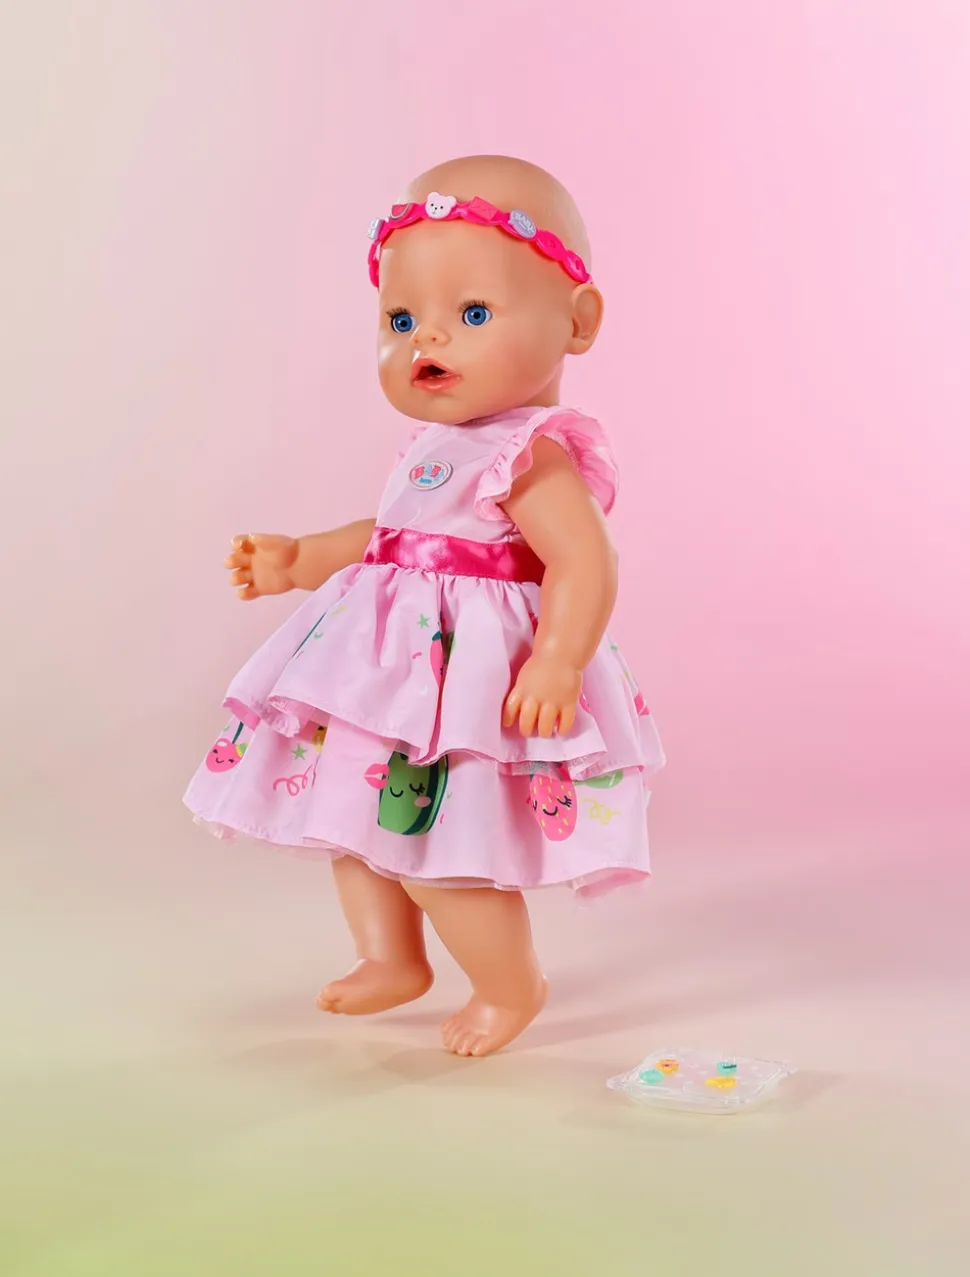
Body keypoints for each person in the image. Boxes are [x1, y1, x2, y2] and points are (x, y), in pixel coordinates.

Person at [184, 154, 664, 1057]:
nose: (425, 340)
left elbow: (585, 558)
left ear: (577, 320)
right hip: (389, 685)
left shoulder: (531, 453)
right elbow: (391, 535)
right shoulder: (432, 445)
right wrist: (300, 558)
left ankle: (510, 985)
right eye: (400, 320)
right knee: (356, 823)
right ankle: (390, 957)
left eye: (473, 314)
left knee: (446, 856)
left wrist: (558, 658)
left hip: (469, 690)